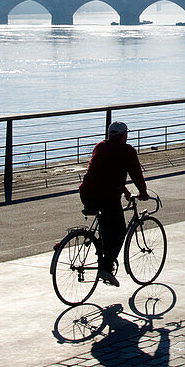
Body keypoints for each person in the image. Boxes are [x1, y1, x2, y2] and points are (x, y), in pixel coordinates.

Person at [78, 121, 149, 287]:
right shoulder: (127, 151)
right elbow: (137, 175)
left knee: (107, 225)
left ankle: (101, 251)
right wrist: (143, 193)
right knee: (119, 232)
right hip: (106, 197)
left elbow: (107, 174)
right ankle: (106, 267)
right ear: (124, 135)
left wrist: (124, 191)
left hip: (87, 194)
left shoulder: (100, 147)